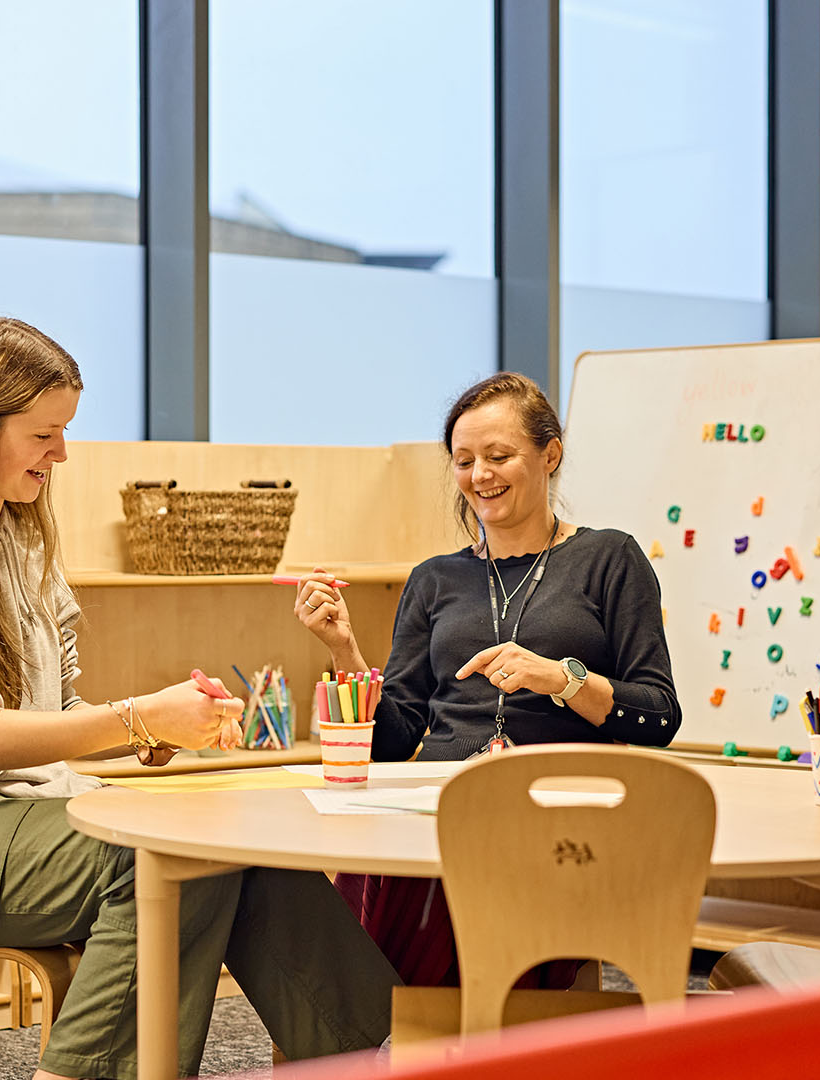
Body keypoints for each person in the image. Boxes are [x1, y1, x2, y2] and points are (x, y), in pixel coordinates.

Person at [0, 314, 399, 1080]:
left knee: (241, 841)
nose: (61, 453)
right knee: (168, 858)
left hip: (19, 819)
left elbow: (54, 711)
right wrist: (135, 718)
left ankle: (384, 1057)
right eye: (43, 434)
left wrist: (155, 734)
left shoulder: (21, 539)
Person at [291, 371, 681, 986]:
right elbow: (393, 740)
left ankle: (437, 1025)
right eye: (464, 460)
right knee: (363, 887)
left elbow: (658, 716)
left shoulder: (609, 558)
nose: (480, 476)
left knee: (463, 871)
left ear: (550, 454)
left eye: (499, 456)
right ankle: (363, 1029)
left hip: (554, 813)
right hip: (435, 806)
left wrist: (562, 678)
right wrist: (345, 651)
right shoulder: (434, 579)